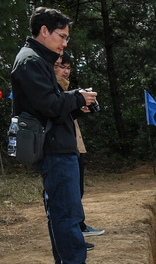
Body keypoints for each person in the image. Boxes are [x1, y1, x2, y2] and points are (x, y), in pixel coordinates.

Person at [11, 7, 108, 264]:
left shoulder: (36, 60)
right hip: (54, 148)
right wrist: (77, 98)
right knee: (67, 210)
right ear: (44, 31)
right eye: (62, 36)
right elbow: (49, 105)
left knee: (61, 210)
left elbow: (50, 108)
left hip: (54, 143)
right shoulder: (31, 61)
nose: (65, 43)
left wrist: (78, 106)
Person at [54, 52, 103, 239]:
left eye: (67, 67)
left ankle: (78, 229)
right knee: (68, 195)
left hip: (75, 145)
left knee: (76, 190)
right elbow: (55, 114)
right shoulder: (52, 91)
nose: (65, 71)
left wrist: (81, 109)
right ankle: (75, 232)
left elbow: (67, 116)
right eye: (60, 66)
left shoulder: (65, 90)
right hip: (62, 148)